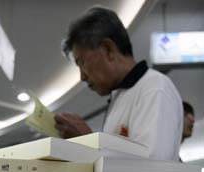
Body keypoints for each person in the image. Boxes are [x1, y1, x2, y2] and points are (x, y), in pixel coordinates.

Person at [55, 7, 183, 161]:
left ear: (108, 49)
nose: (82, 76)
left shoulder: (154, 87)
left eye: (81, 62)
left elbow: (152, 168)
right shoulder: (120, 96)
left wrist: (88, 141)